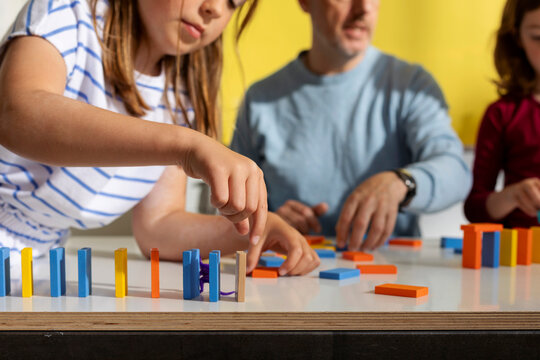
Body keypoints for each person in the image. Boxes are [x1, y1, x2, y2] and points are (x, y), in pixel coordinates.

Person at [0, 0, 319, 276]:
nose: (214, 8)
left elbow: (159, 227)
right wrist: (185, 145)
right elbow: (17, 113)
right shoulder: (68, 11)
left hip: (31, 266)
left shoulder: (179, 94)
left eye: (233, 2)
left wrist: (256, 232)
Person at [231, 0, 471, 252]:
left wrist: (403, 182)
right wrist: (266, 222)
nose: (363, 8)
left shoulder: (410, 86)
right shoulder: (259, 100)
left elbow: (455, 170)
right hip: (289, 275)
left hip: (391, 277)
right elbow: (231, 210)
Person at [465, 0, 540, 229]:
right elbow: (475, 208)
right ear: (518, 38)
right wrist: (513, 195)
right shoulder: (502, 114)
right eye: (538, 37)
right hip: (523, 258)